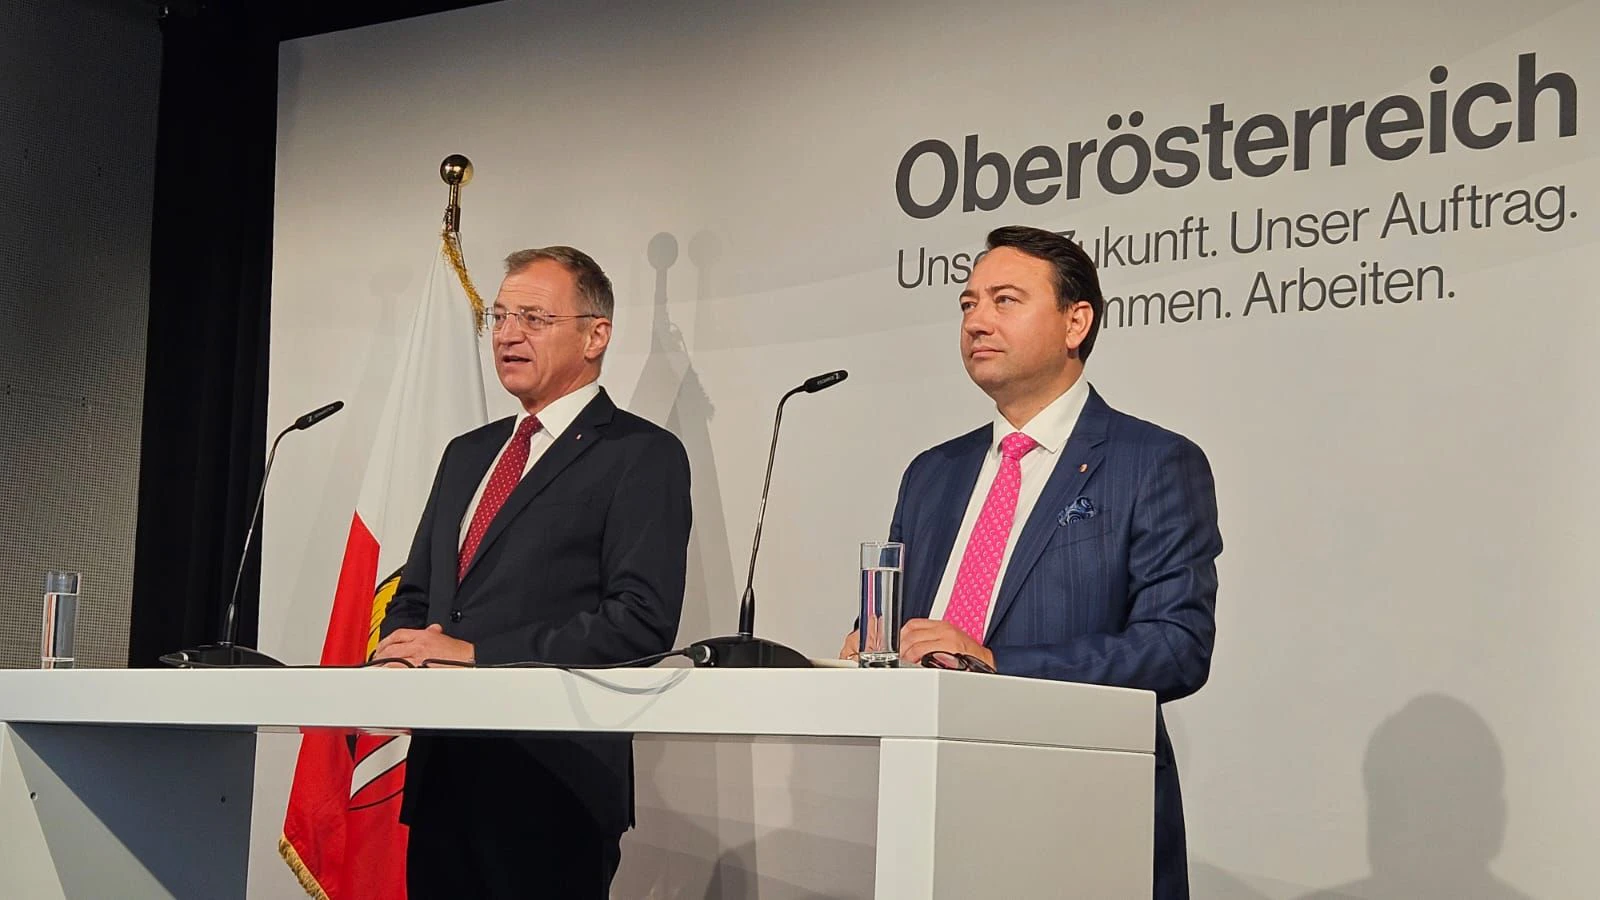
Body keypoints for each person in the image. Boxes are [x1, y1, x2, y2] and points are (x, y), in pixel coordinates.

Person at [842, 225, 1221, 899]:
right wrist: (870, 649)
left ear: (1077, 322)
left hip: (1074, 819)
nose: (977, 320)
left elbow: (1175, 648)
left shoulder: (1151, 463)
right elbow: (906, 631)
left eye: (1004, 300)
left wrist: (990, 667)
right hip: (924, 805)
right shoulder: (933, 472)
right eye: (967, 303)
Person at [375, 245, 692, 899]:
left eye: (534, 318)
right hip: (444, 781)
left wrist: (476, 654)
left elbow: (640, 623)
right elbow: (417, 594)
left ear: (595, 334)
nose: (509, 334)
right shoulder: (468, 455)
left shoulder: (641, 456)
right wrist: (400, 656)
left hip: (552, 789)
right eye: (499, 317)